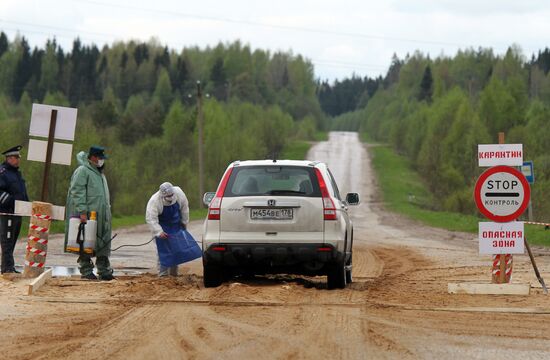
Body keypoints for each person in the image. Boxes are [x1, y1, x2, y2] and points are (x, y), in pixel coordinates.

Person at [65, 146, 114, 280]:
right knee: (86, 242)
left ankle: (104, 271)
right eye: (100, 158)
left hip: (102, 215)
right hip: (88, 215)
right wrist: (82, 211)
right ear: (93, 158)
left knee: (103, 243)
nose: (102, 161)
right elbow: (77, 191)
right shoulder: (83, 171)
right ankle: (86, 271)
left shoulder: (99, 173)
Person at [145, 182, 190, 276]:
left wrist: (184, 222)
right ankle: (163, 274)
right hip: (162, 226)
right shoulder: (155, 201)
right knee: (163, 250)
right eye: (168, 196)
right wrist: (159, 232)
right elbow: (151, 218)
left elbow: (184, 208)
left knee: (176, 249)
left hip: (175, 224)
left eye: (171, 195)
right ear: (162, 195)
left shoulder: (179, 193)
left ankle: (174, 274)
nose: (170, 198)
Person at [0, 145, 29, 274]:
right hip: (7, 213)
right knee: (7, 240)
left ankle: (8, 266)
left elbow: (21, 191)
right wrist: (10, 201)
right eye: (16, 157)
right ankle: (7, 269)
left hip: (18, 212)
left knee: (12, 241)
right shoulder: (3, 172)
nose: (18, 160)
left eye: (18, 157)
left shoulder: (16, 173)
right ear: (9, 158)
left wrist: (27, 205)